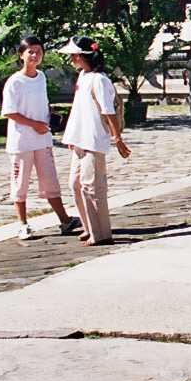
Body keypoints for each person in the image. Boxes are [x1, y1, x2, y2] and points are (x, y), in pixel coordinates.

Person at [1, 36, 80, 241]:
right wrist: (33, 124)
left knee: (50, 181)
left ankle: (64, 220)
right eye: (30, 52)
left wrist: (49, 118)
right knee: (20, 184)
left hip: (42, 140)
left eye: (38, 51)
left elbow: (42, 103)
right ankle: (23, 224)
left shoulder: (42, 77)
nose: (35, 56)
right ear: (21, 55)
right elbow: (9, 112)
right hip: (21, 141)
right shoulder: (14, 82)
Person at [58, 36, 129, 246]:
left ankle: (101, 233)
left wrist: (117, 138)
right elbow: (79, 110)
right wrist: (71, 135)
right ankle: (89, 227)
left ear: (81, 56)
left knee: (92, 187)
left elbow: (108, 111)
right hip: (80, 139)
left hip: (93, 139)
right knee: (76, 184)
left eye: (74, 55)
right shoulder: (83, 76)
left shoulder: (100, 80)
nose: (72, 59)